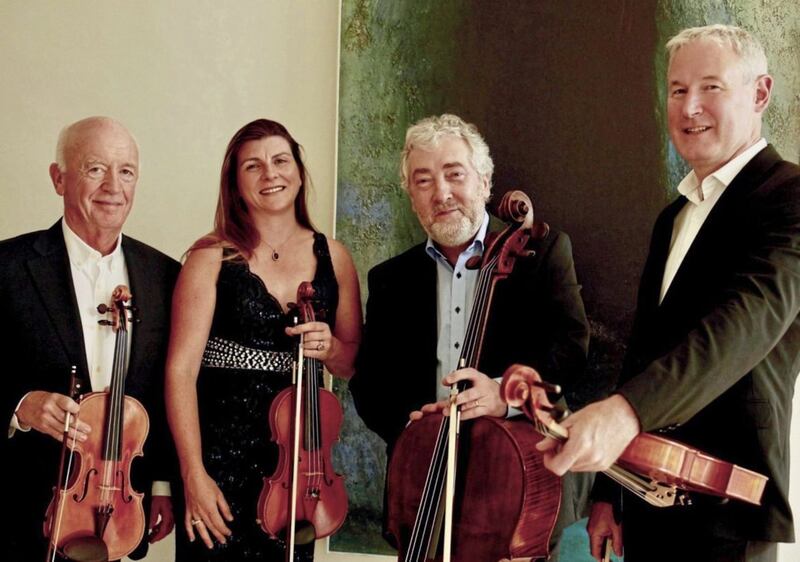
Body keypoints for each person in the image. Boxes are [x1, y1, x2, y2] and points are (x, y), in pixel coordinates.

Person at [534, 25, 800, 562]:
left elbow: (743, 324)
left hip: (730, 508)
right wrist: (610, 492)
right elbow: (642, 351)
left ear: (760, 93)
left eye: (711, 87)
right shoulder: (673, 217)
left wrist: (623, 414)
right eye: (677, 90)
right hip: (648, 499)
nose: (690, 107)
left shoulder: (790, 196)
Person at [349, 113, 591, 559]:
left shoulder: (544, 253)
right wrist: (412, 428)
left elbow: (570, 348)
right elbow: (369, 383)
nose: (441, 193)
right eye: (423, 181)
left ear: (484, 181)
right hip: (424, 484)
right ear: (411, 197)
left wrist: (506, 394)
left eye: (454, 174)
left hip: (519, 482)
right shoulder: (391, 279)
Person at [165, 118, 362, 561]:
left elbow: (349, 362)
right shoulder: (210, 256)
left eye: (280, 160)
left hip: (298, 466)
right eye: (253, 166)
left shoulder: (336, 257)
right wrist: (192, 474)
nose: (270, 174)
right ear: (236, 185)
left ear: (298, 170)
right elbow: (180, 371)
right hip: (218, 461)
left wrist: (329, 348)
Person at [0, 116, 178, 561]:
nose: (112, 186)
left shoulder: (165, 276)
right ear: (58, 179)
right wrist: (20, 405)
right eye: (95, 168)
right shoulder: (7, 266)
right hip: (18, 501)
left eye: (126, 171)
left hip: (116, 508)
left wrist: (158, 483)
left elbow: (167, 388)